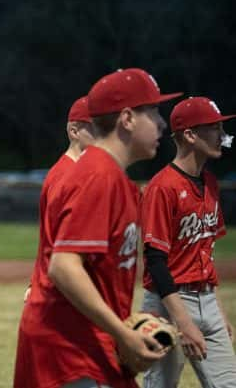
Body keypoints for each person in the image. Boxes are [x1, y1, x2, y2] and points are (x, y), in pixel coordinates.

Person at [14, 68, 181, 388]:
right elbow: (63, 267)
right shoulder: (98, 176)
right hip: (68, 352)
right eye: (153, 112)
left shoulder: (114, 179)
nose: (161, 123)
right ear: (127, 119)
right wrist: (123, 334)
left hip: (87, 343)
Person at [139, 96, 236, 387]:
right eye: (214, 127)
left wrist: (216, 312)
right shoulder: (162, 187)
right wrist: (184, 323)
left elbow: (204, 253)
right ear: (190, 135)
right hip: (168, 304)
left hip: (206, 299)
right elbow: (155, 262)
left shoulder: (211, 183)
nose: (222, 135)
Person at [23, 96, 95, 302]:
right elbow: (57, 242)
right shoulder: (66, 176)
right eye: (94, 129)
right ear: (74, 131)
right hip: (59, 290)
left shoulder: (77, 172)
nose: (103, 136)